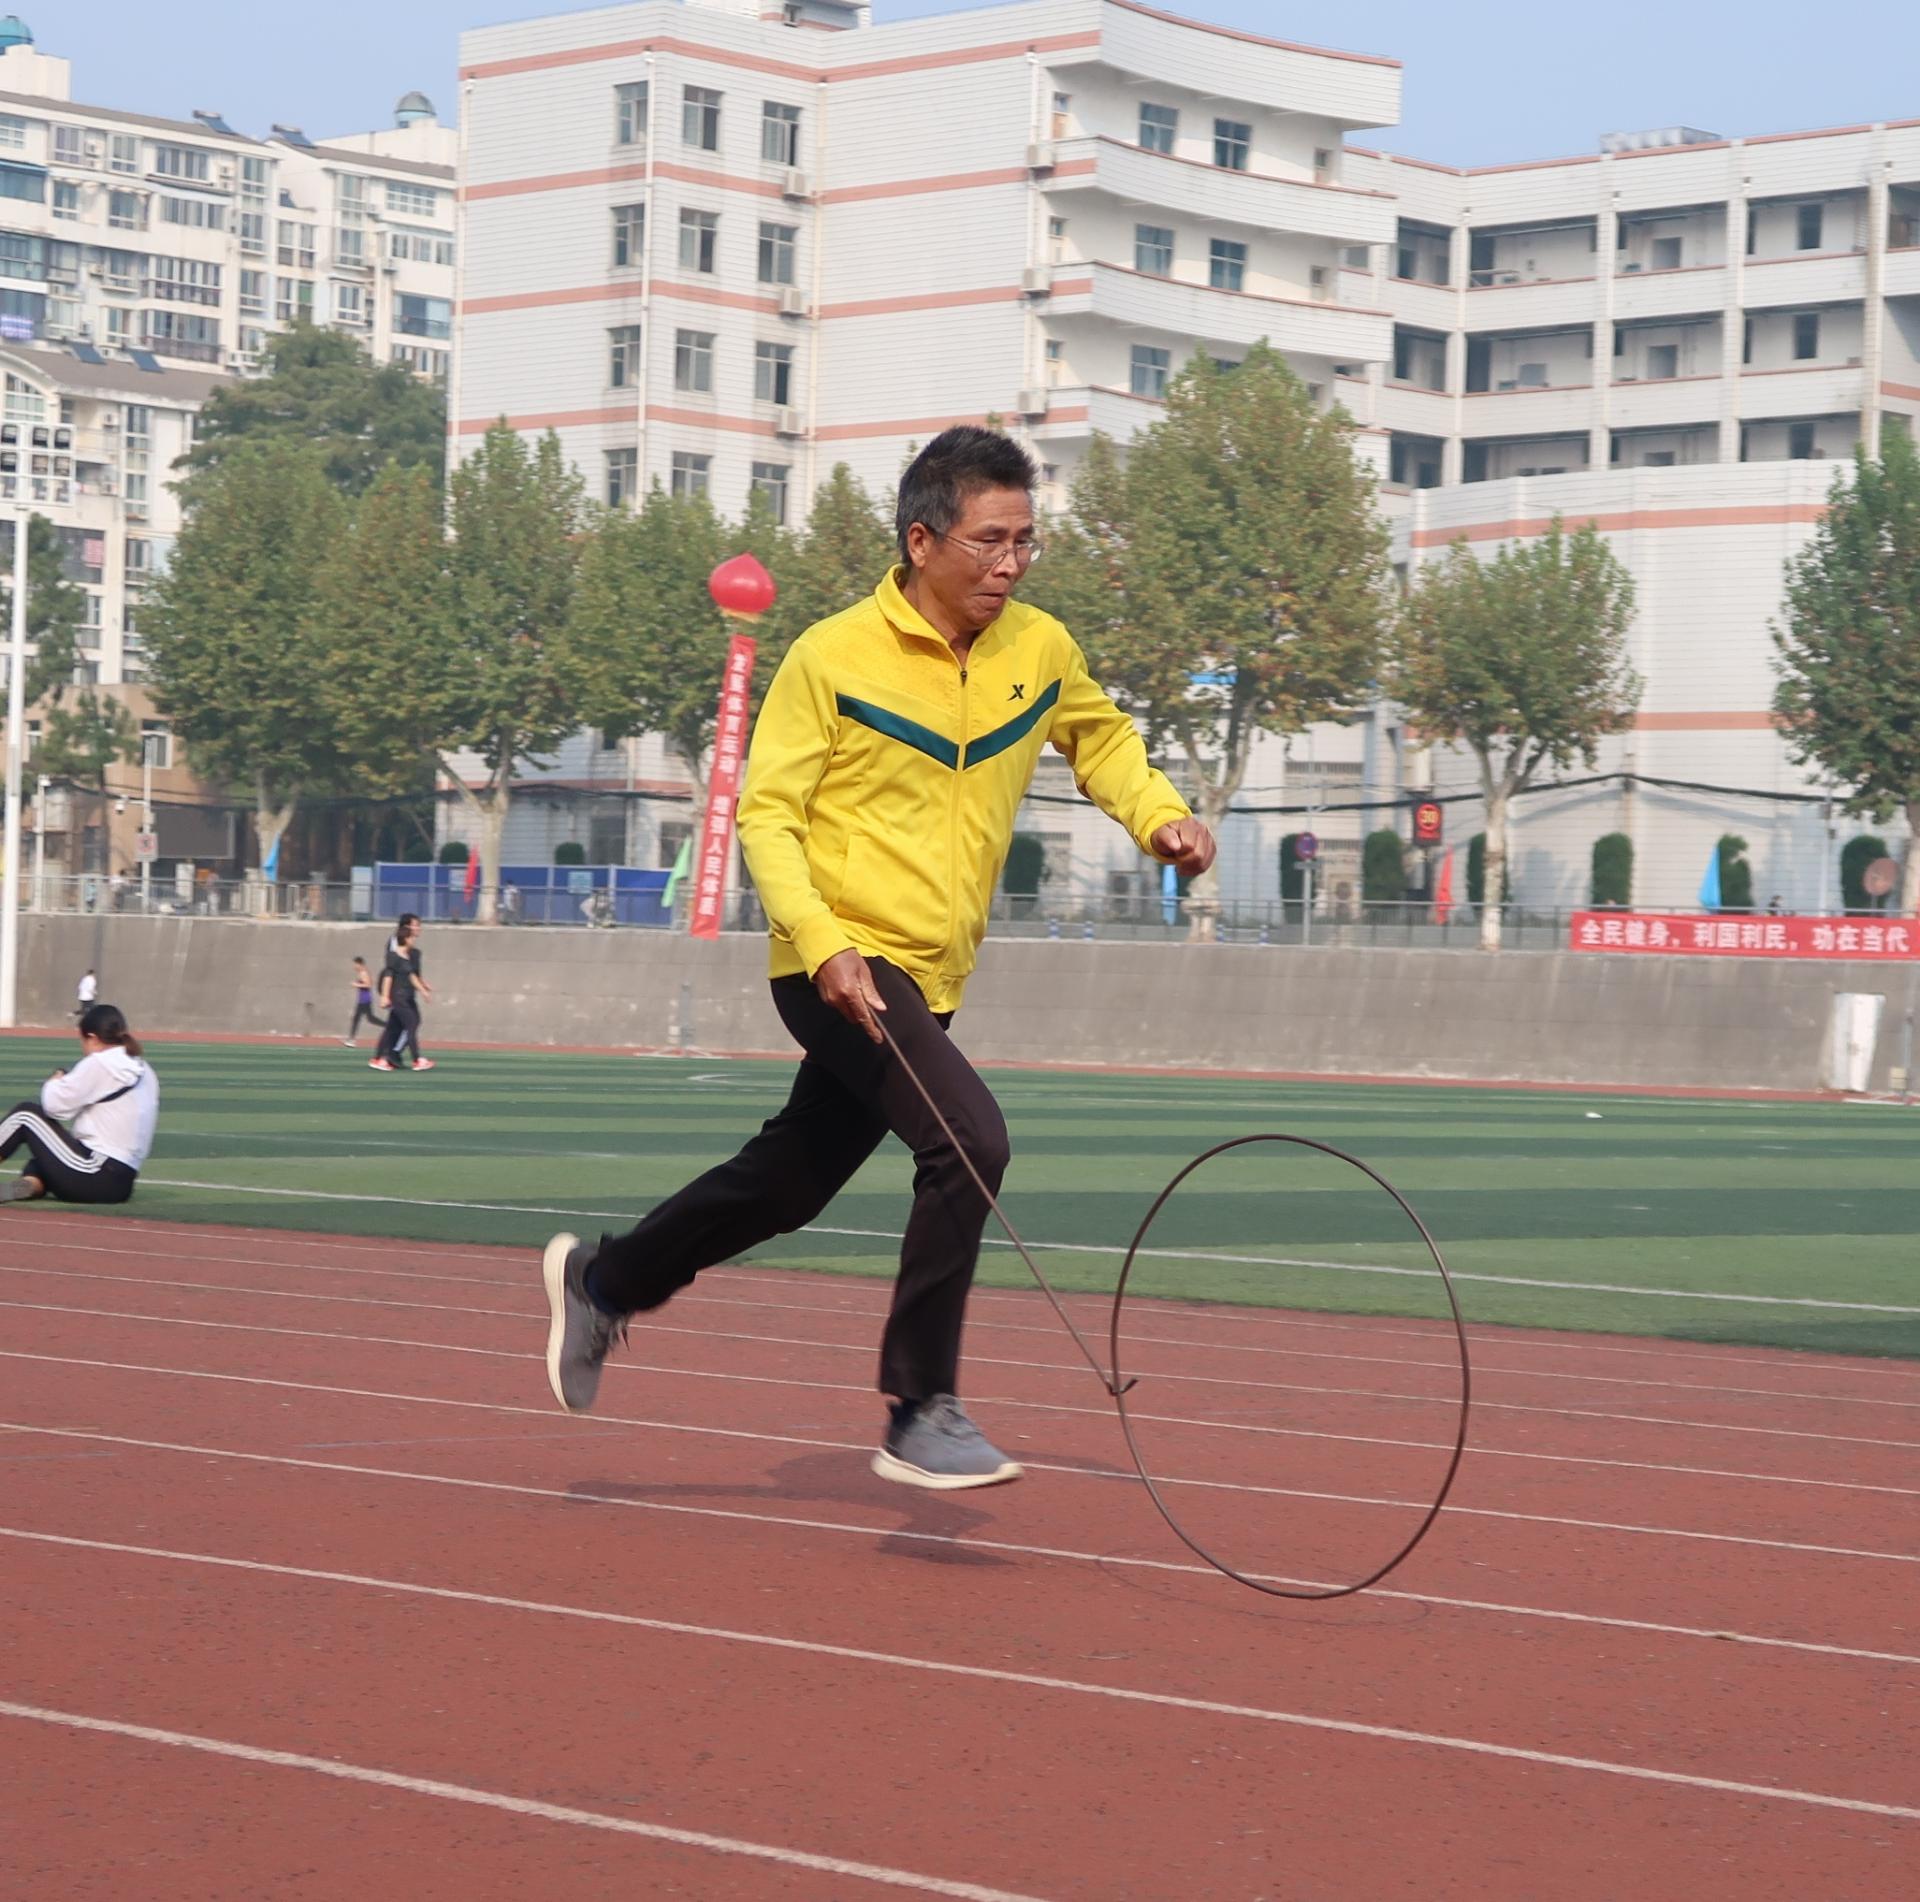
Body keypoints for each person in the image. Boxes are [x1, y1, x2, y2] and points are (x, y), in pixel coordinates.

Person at [540, 427, 1215, 1489]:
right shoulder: (831, 656)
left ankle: (606, 1282)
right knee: (971, 1141)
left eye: (1025, 542)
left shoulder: (1040, 648)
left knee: (791, 1182)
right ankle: (920, 1405)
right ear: (922, 540)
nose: (1011, 564)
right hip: (837, 961)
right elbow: (768, 818)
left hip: (933, 977)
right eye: (990, 541)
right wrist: (825, 946)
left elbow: (1102, 741)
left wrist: (1159, 815)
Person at [0, 1002, 158, 1205]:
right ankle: (24, 1186)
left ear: (92, 1038)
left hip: (96, 1173)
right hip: (122, 1183)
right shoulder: (144, 1069)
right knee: (43, 1161)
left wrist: (55, 1081)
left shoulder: (101, 1063)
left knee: (26, 1115)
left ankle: (27, 1185)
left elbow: (53, 1107)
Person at [370, 914, 436, 1073]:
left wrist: (423, 987)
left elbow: (413, 974)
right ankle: (403, 1056)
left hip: (406, 993)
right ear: (406, 929)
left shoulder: (412, 953)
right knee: (409, 1024)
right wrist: (385, 995)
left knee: (395, 1025)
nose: (418, 928)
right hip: (397, 993)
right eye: (415, 925)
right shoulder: (395, 950)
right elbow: (389, 973)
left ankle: (383, 1057)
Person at [342, 956, 385, 1047]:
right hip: (363, 999)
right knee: (370, 1018)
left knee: (357, 1019)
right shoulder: (363, 972)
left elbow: (368, 985)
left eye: (355, 964)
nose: (354, 966)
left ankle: (351, 1040)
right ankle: (389, 1026)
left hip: (364, 1000)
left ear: (359, 964)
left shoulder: (363, 973)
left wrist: (356, 984)